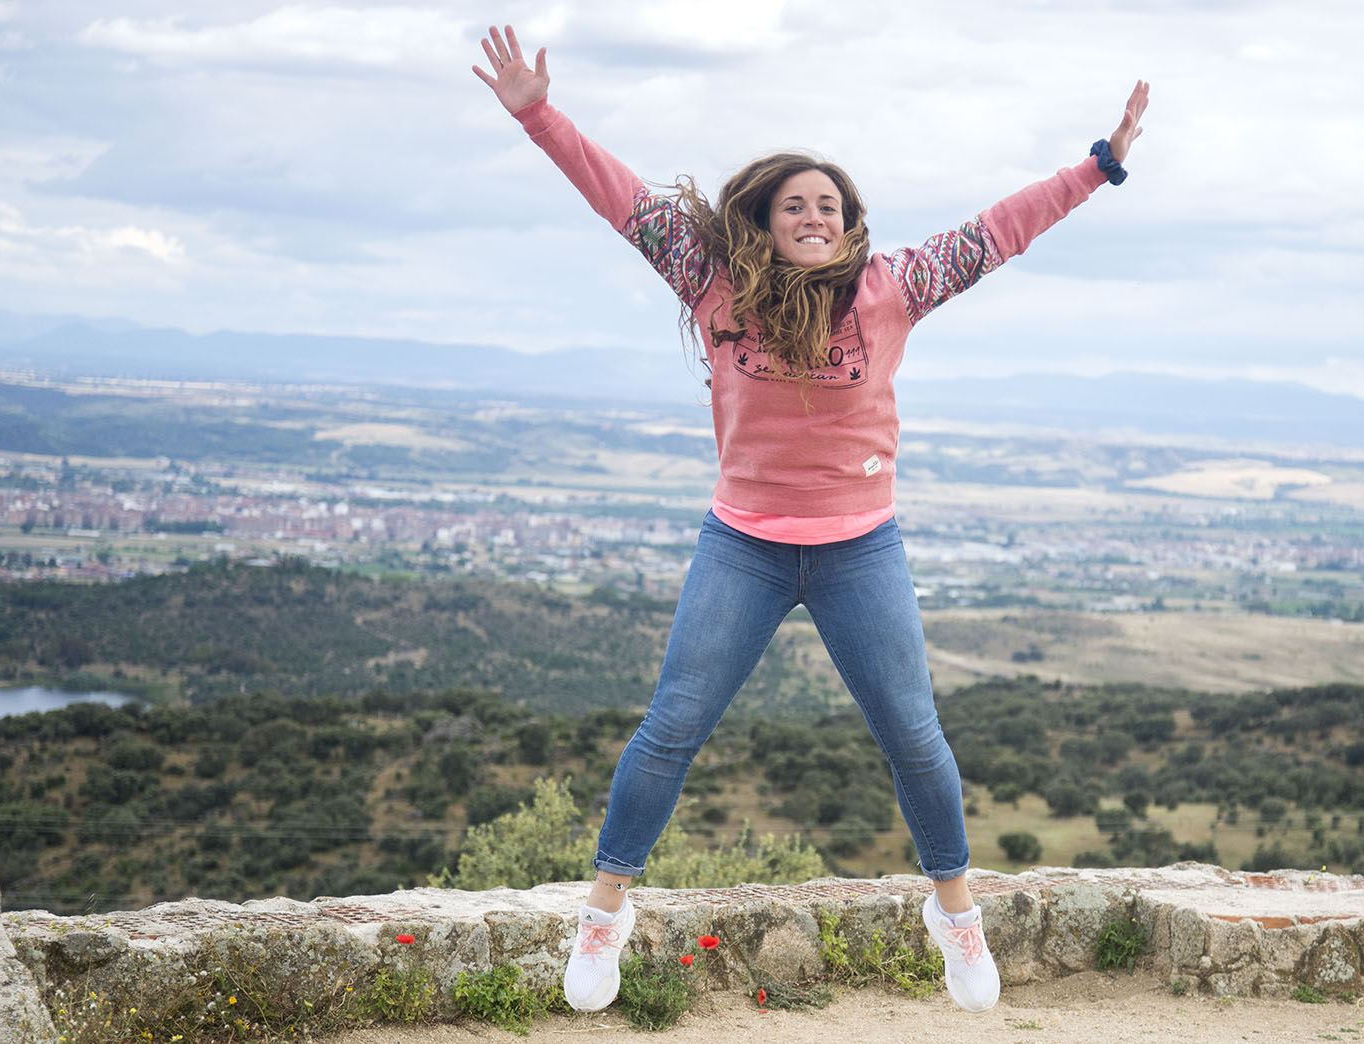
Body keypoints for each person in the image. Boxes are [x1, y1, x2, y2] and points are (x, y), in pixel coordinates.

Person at [473, 23, 1147, 1014]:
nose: (814, 215)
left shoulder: (892, 290)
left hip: (857, 550)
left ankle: (954, 914)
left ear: (848, 222)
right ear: (763, 218)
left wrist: (1099, 166)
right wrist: (537, 113)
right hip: (740, 547)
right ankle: (604, 910)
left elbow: (999, 229)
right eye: (795, 203)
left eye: (828, 204)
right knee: (671, 727)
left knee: (914, 737)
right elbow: (614, 195)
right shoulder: (708, 281)